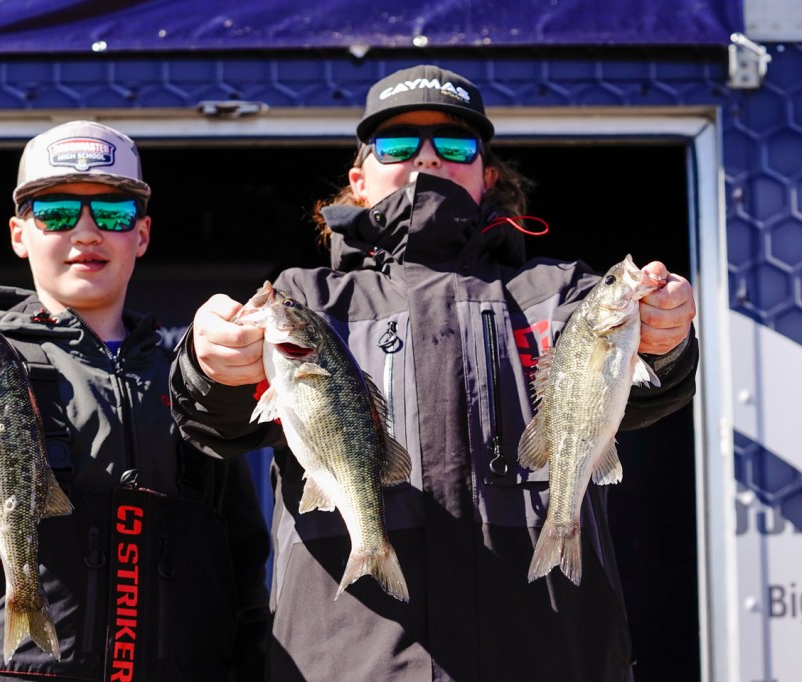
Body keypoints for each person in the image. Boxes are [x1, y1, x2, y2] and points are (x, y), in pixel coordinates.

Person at [169, 64, 699, 681]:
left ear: (488, 175)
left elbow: (650, 391)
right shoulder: (306, 301)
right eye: (397, 143)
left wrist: (665, 336)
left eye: (453, 142)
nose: (426, 157)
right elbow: (218, 425)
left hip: (553, 657)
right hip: (350, 661)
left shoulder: (563, 294)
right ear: (358, 179)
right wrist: (210, 366)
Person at [0, 120, 270, 681]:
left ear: (142, 234)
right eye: (57, 212)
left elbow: (241, 554)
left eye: (113, 213)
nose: (87, 232)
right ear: (19, 233)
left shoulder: (194, 376)